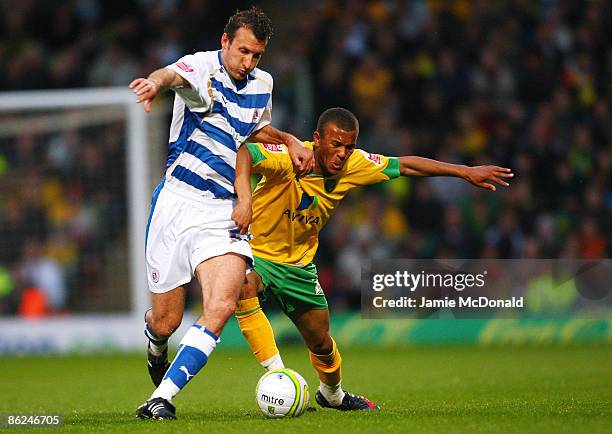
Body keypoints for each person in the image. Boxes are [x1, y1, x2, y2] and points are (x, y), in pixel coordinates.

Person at [233, 107, 514, 411]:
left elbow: (406, 166)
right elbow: (246, 152)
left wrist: (465, 172)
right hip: (256, 251)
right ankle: (277, 374)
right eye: (335, 144)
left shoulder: (355, 164)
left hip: (298, 265)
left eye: (349, 146)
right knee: (243, 286)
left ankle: (333, 395)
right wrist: (245, 199)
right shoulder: (290, 155)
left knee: (322, 344)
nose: (342, 153)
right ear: (317, 139)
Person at [128, 7, 313, 420]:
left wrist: (287, 138)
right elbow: (170, 76)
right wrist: (153, 84)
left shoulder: (262, 83)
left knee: (223, 303)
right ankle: (156, 344)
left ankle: (162, 398)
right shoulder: (200, 67)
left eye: (257, 55)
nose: (248, 63)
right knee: (166, 321)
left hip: (222, 213)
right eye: (243, 51)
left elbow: (252, 129)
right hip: (176, 204)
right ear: (225, 41)